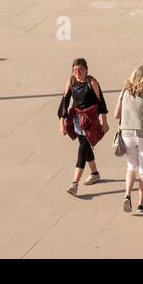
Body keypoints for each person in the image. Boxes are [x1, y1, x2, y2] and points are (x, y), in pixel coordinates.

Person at [59, 57, 109, 196]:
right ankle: (95, 173)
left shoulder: (92, 82)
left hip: (90, 120)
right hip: (76, 119)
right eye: (75, 70)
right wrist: (61, 121)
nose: (77, 73)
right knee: (84, 147)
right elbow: (65, 101)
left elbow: (101, 103)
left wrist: (105, 122)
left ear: (86, 70)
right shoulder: (71, 81)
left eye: (80, 70)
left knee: (82, 149)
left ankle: (74, 184)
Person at [113, 64, 143, 213]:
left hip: (126, 134)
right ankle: (141, 202)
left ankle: (127, 195)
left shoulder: (124, 93)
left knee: (131, 166)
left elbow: (116, 115)